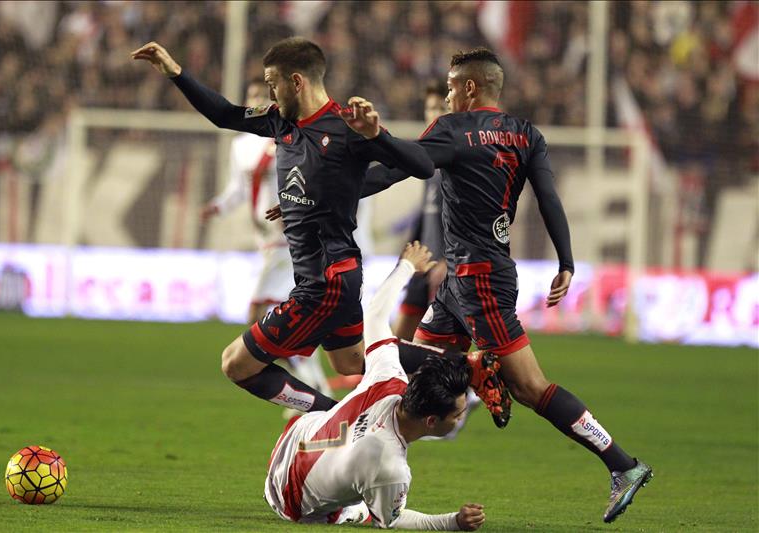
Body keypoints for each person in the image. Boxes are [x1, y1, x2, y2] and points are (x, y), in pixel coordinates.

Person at [362, 48, 652, 523]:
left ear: (470, 88)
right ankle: (377, 478)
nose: (449, 94)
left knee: (531, 388)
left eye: (453, 86)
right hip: (471, 277)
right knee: (418, 378)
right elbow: (549, 197)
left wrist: (345, 181)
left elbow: (401, 167)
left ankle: (623, 464)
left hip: (478, 282)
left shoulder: (452, 130)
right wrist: (566, 260)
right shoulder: (525, 134)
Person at [132, 38, 433, 415]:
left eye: (272, 83)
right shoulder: (279, 120)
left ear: (297, 81)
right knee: (350, 363)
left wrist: (377, 136)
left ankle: (332, 418)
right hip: (330, 276)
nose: (270, 91)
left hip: (325, 280)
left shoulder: (347, 127)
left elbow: (421, 166)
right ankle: (464, 367)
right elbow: (225, 114)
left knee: (236, 364)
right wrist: (175, 72)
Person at [264, 241, 486, 530]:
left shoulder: (390, 378)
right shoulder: (390, 466)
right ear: (431, 421)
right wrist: (453, 522)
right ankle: (348, 509)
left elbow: (376, 315)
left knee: (349, 454)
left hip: (290, 440)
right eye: (458, 415)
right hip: (288, 502)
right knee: (363, 507)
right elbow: (392, 520)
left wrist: (406, 265)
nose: (460, 419)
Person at [199, 77, 331, 400]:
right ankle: (314, 389)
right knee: (282, 323)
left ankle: (310, 397)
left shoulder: (284, 136)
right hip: (265, 240)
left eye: (263, 94)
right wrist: (218, 206)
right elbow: (238, 190)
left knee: (259, 317)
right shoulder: (239, 146)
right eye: (252, 94)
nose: (257, 99)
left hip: (287, 239)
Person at [393, 82, 449, 341]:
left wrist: (449, 262)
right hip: (423, 263)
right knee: (397, 342)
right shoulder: (429, 158)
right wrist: (408, 251)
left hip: (445, 270)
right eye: (430, 108)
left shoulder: (457, 157)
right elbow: (428, 212)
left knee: (439, 351)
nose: (434, 114)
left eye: (441, 107)